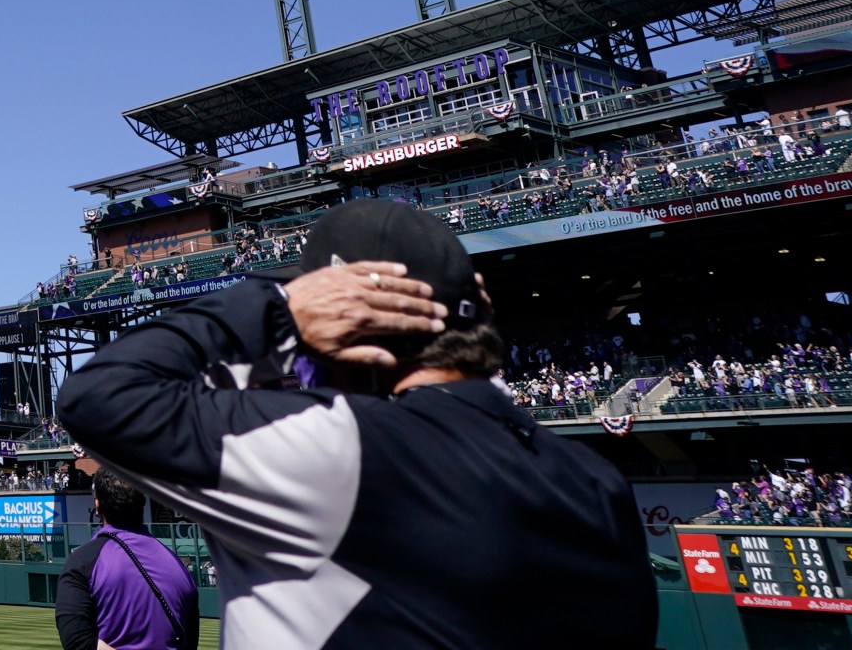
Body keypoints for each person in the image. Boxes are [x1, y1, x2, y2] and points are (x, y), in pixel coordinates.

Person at [56, 199, 653, 649]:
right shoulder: (596, 481)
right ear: (479, 301)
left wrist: (277, 306)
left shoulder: (341, 448)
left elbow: (100, 396)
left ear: (343, 319)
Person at [55, 467, 200, 650]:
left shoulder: (82, 561)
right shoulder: (178, 566)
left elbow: (77, 641)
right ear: (142, 504)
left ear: (97, 506)